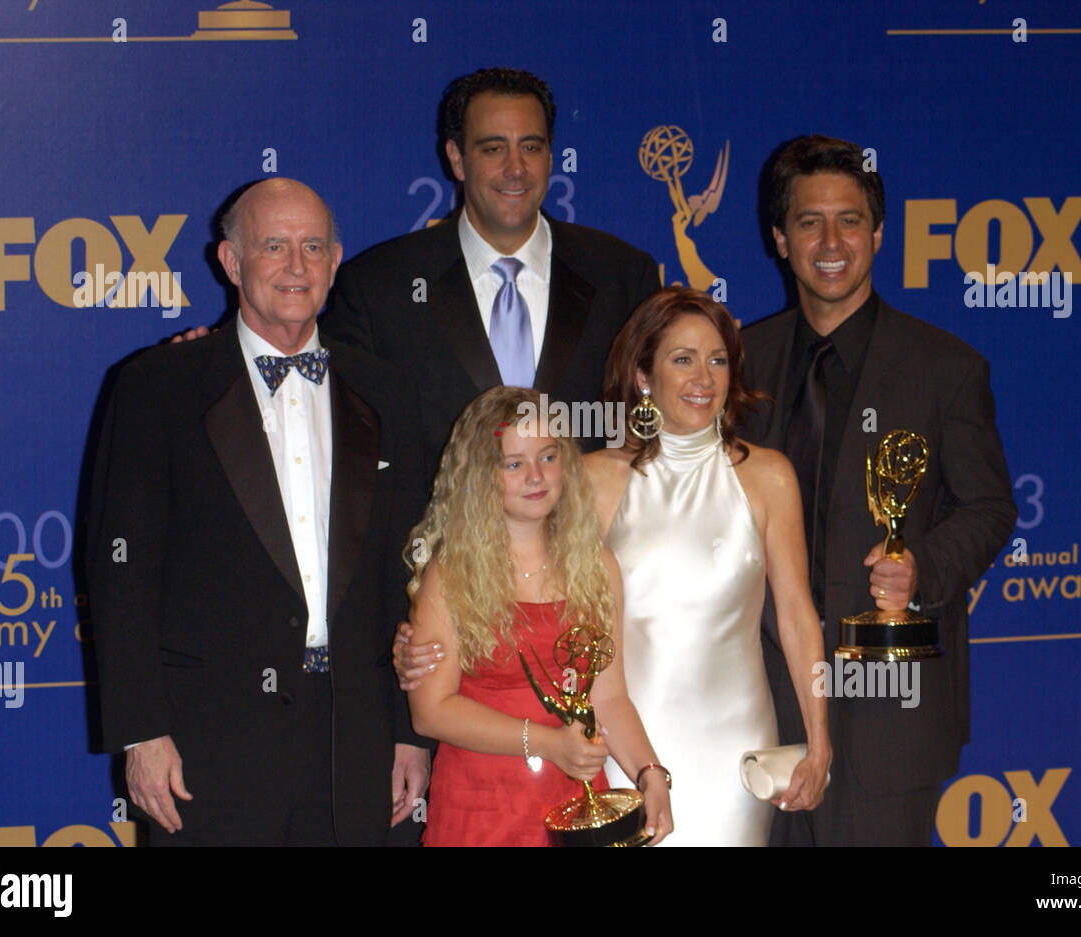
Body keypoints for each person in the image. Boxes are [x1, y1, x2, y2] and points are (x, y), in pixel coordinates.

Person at [397, 289, 831, 847]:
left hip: (728, 749)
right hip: (605, 754)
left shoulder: (770, 476)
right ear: (643, 376)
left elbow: (797, 618)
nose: (704, 376)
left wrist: (820, 743)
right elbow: (509, 578)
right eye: (683, 358)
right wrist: (418, 644)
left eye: (717, 359)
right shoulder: (592, 478)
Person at [87, 178, 430, 845]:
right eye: (273, 245)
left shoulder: (385, 389)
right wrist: (141, 732)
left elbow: (411, 567)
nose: (296, 266)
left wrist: (411, 728)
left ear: (336, 261)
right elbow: (119, 574)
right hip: (206, 745)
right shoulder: (158, 387)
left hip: (354, 740)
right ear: (231, 262)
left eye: (312, 246)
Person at [742, 135, 1017, 845]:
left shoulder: (946, 368)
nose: (831, 241)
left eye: (851, 220)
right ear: (780, 237)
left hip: (888, 710)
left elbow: (989, 507)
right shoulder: (737, 366)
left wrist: (922, 566)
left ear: (879, 233)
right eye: (809, 221)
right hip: (752, 707)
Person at [321, 67, 659, 464]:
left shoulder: (622, 277)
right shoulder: (378, 287)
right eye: (493, 148)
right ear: (457, 159)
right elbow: (350, 447)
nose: (516, 169)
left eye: (531, 147)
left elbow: (651, 430)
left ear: (551, 157)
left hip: (591, 524)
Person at [404, 386, 673, 846]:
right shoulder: (449, 576)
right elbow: (430, 712)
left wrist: (650, 774)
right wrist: (547, 743)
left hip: (574, 801)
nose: (536, 476)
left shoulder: (598, 565)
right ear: (481, 476)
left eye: (548, 457)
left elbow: (609, 699)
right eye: (514, 463)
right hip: (479, 807)